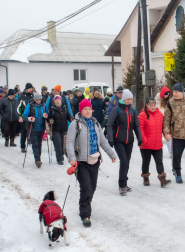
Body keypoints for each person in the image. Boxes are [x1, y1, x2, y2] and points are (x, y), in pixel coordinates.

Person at [66, 99, 116, 227]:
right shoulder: (75, 124)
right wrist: (71, 157)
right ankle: (85, 214)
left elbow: (103, 141)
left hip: (94, 160)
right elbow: (70, 142)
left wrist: (111, 154)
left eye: (89, 109)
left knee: (92, 188)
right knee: (86, 187)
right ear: (81, 111)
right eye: (85, 109)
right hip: (81, 161)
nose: (88, 111)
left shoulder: (96, 123)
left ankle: (84, 202)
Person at [107, 89, 142, 196]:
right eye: (127, 99)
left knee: (127, 162)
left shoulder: (133, 111)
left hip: (129, 141)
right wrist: (110, 139)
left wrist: (139, 137)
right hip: (118, 140)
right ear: (123, 99)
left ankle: (125, 183)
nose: (129, 101)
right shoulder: (116, 110)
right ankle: (122, 185)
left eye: (131, 99)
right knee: (124, 162)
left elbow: (136, 125)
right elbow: (109, 124)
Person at [138, 97, 171, 187]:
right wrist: (145, 141)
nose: (152, 107)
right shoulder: (142, 115)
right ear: (146, 105)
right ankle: (145, 178)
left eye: (154, 105)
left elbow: (163, 127)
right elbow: (140, 130)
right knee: (146, 161)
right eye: (150, 105)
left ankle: (162, 179)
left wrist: (166, 135)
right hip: (146, 145)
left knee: (159, 161)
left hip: (157, 144)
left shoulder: (159, 114)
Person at [23, 93, 47, 168]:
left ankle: (38, 158)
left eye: (39, 100)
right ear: (34, 99)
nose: (38, 101)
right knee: (35, 145)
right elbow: (24, 116)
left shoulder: (44, 106)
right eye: (36, 100)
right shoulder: (30, 106)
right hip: (32, 128)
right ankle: (37, 160)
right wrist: (29, 119)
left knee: (39, 144)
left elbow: (47, 114)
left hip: (41, 128)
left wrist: (46, 115)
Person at [48, 95, 73, 165]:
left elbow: (68, 116)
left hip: (64, 129)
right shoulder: (52, 109)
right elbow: (49, 118)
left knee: (64, 145)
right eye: (56, 100)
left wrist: (72, 119)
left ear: (61, 100)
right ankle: (60, 159)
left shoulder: (64, 108)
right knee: (58, 144)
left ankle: (66, 155)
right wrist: (50, 120)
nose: (57, 101)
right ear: (54, 101)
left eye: (58, 99)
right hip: (56, 130)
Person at [155, 86, 172, 156]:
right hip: (158, 121)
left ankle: (171, 151)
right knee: (157, 137)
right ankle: (156, 150)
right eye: (165, 94)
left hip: (166, 121)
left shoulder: (168, 101)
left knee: (168, 135)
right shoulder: (156, 101)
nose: (166, 96)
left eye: (168, 94)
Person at [17, 83, 34, 153]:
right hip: (24, 117)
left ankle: (33, 145)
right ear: (26, 89)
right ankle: (22, 146)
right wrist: (19, 116)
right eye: (30, 88)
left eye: (31, 88)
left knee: (32, 132)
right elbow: (18, 108)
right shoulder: (21, 97)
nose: (31, 90)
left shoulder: (32, 96)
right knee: (23, 132)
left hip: (31, 117)